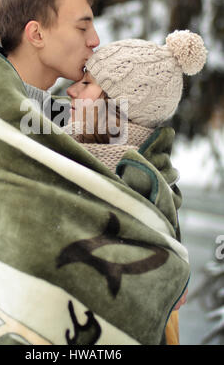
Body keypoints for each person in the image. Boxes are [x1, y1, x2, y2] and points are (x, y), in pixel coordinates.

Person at [0, 0, 190, 346]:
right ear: (36, 34)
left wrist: (164, 255)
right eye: (82, 28)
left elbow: (138, 151)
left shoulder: (53, 116)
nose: (95, 40)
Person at [66, 29, 207, 343]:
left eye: (87, 84)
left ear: (120, 107)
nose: (72, 91)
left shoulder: (145, 191)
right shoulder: (57, 152)